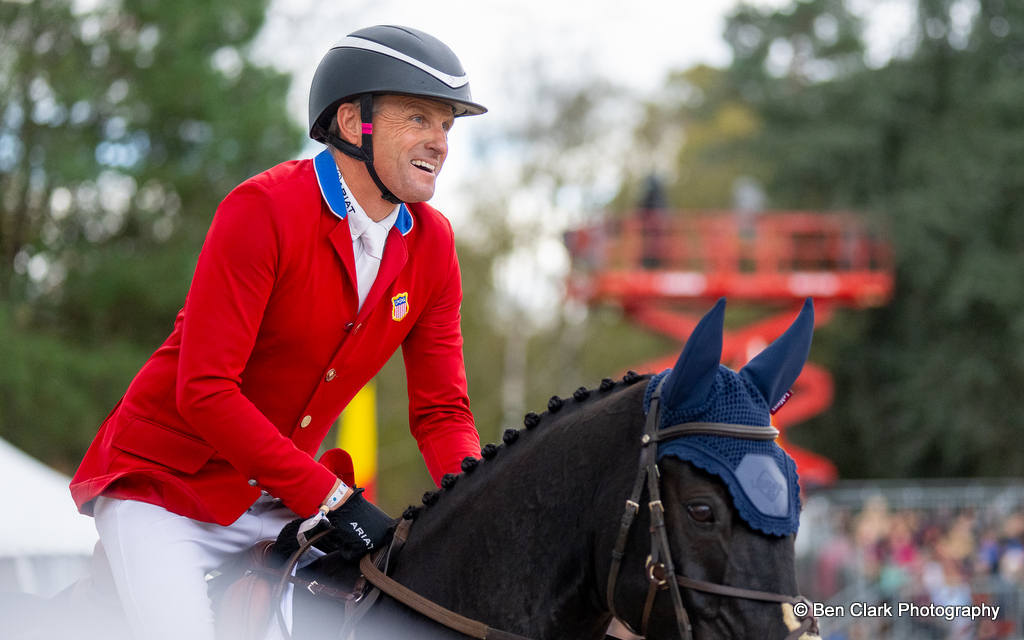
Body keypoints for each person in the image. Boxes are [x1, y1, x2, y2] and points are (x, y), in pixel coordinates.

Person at [69, 24, 486, 640]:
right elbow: (206, 390)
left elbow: (442, 412)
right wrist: (332, 499)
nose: (441, 142)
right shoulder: (262, 209)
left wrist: (479, 503)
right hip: (163, 490)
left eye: (447, 125)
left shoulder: (434, 245)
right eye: (420, 119)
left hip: (277, 502)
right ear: (353, 123)